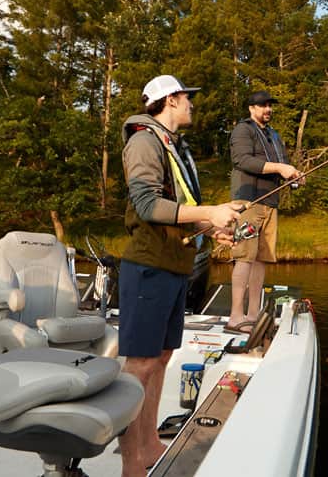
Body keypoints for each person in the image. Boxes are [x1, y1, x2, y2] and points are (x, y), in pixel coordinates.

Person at [117, 74, 240, 476]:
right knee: (139, 365)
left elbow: (177, 210)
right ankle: (131, 463)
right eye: (188, 97)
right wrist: (209, 211)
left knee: (163, 357)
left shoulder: (172, 145)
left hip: (174, 266)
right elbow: (149, 205)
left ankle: (150, 443)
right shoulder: (143, 142)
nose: (192, 104)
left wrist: (211, 227)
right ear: (170, 100)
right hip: (148, 267)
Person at [226, 90, 304, 333]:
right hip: (248, 201)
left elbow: (280, 167)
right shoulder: (243, 130)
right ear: (251, 108)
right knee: (244, 257)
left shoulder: (274, 134)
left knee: (261, 259)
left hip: (271, 203)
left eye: (269, 105)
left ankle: (253, 313)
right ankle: (235, 317)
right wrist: (281, 167)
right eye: (262, 105)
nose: (267, 109)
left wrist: (293, 177)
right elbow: (242, 160)